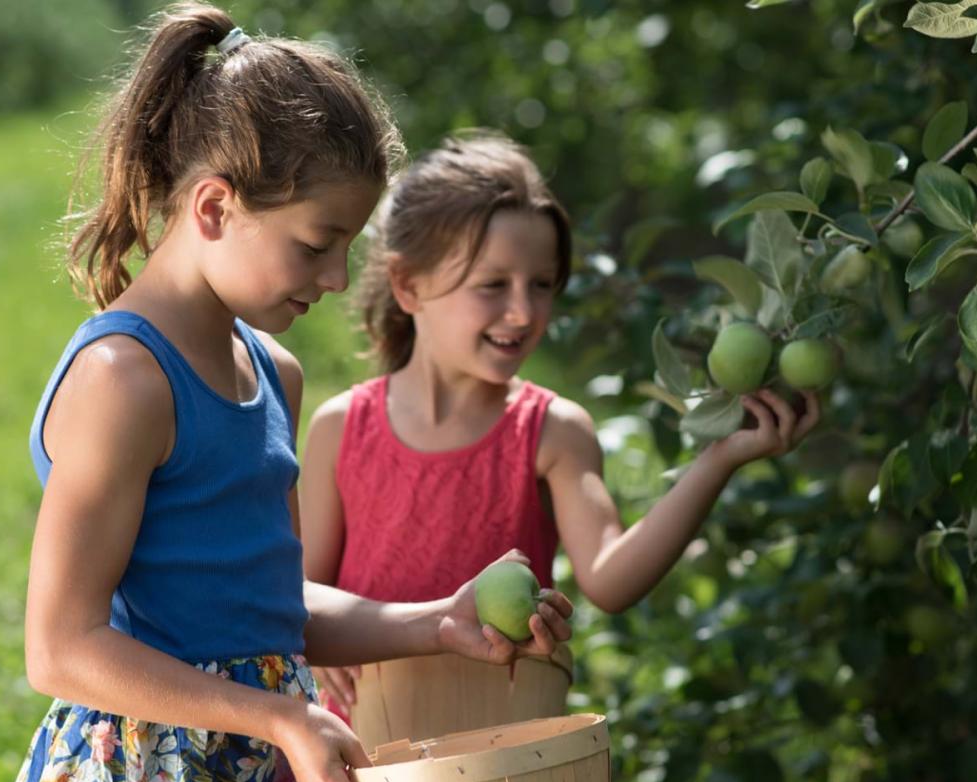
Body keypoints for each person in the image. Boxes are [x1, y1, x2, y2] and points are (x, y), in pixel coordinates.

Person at [11, 12, 573, 782]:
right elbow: (61, 649)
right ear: (214, 209)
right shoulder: (126, 380)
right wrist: (277, 718)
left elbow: (271, 606)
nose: (340, 278)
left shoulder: (273, 372)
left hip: (262, 761)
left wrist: (437, 620)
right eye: (316, 245)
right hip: (146, 774)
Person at [300, 132, 819, 714]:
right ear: (409, 285)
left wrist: (718, 458)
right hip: (367, 754)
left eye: (542, 285)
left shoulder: (550, 430)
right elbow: (299, 598)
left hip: (503, 747)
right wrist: (318, 653)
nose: (523, 312)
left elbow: (610, 578)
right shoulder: (341, 427)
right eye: (493, 285)